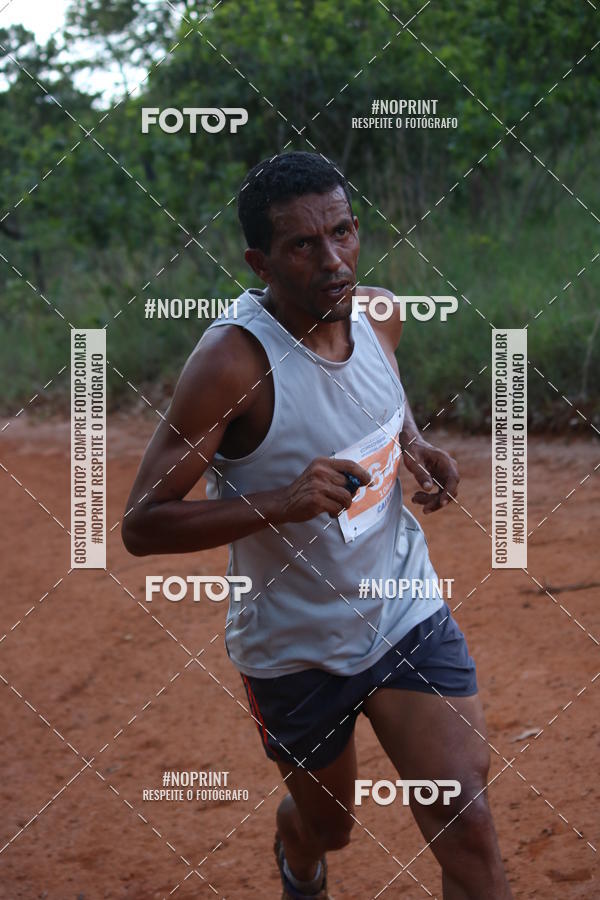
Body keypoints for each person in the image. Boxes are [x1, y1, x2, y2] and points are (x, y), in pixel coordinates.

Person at [122, 151, 512, 899]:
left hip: (404, 610)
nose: (333, 260)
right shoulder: (233, 364)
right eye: (304, 245)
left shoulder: (379, 314)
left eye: (342, 232)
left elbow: (380, 402)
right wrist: (284, 502)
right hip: (294, 647)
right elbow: (143, 525)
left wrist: (416, 445)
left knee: (464, 815)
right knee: (330, 825)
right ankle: (300, 859)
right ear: (258, 260)